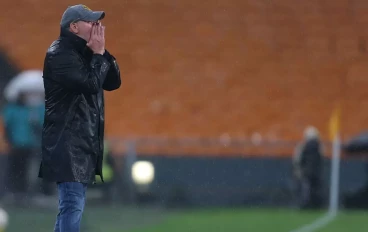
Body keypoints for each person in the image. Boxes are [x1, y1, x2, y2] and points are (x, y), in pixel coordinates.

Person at [38, 4, 121, 232]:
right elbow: (92, 85)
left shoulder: (85, 52)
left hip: (81, 141)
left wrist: (101, 53)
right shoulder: (59, 54)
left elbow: (113, 82)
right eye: (90, 21)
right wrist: (97, 54)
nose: (97, 25)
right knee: (72, 204)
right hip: (67, 142)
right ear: (74, 27)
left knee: (72, 204)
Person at [292, 126, 324, 209]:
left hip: (306, 172)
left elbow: (297, 159)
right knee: (314, 189)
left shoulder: (303, 146)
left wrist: (298, 170)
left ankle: (305, 205)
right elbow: (321, 158)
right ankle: (314, 205)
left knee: (305, 190)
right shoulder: (319, 147)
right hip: (315, 172)